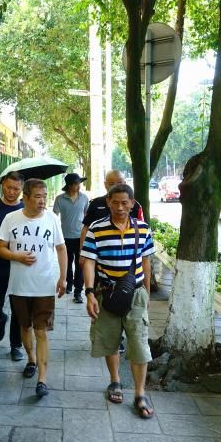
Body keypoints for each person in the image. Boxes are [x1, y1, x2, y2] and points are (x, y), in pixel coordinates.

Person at [81, 183, 155, 419]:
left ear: (132, 204)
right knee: (110, 340)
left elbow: (146, 262)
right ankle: (115, 381)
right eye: (115, 202)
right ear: (108, 202)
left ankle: (140, 393)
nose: (120, 207)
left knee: (139, 343)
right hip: (107, 293)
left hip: (136, 294)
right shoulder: (96, 228)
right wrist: (89, 293)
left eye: (125, 203)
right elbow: (89, 262)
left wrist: (147, 293)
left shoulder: (143, 229)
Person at [0, 179, 67, 398]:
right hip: (19, 285)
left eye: (44, 196)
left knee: (41, 331)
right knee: (25, 327)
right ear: (25, 197)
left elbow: (61, 248)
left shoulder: (52, 219)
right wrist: (16, 256)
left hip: (44, 286)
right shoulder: (11, 219)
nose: (42, 201)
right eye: (37, 196)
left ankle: (42, 379)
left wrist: (63, 278)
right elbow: (0, 248)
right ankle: (31, 359)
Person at [79, 169, 144, 353]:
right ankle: (106, 331)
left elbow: (142, 241)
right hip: (100, 262)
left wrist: (146, 288)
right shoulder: (96, 204)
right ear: (106, 185)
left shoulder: (136, 207)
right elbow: (86, 228)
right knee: (102, 301)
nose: (120, 207)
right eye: (112, 183)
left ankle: (119, 334)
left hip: (128, 269)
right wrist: (84, 253)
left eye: (120, 182)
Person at [0, 171, 25, 361]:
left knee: (18, 308)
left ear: (22, 189)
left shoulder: (25, 209)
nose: (12, 192)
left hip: (20, 266)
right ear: (2, 185)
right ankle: (0, 319)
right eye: (9, 187)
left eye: (16, 189)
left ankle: (16, 345)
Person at [53, 173, 90, 304]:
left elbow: (87, 216)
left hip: (80, 238)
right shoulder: (59, 199)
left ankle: (78, 292)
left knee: (80, 265)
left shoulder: (84, 198)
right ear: (69, 186)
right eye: (76, 184)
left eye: (79, 183)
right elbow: (54, 216)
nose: (79, 186)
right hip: (64, 237)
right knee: (67, 264)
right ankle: (69, 283)